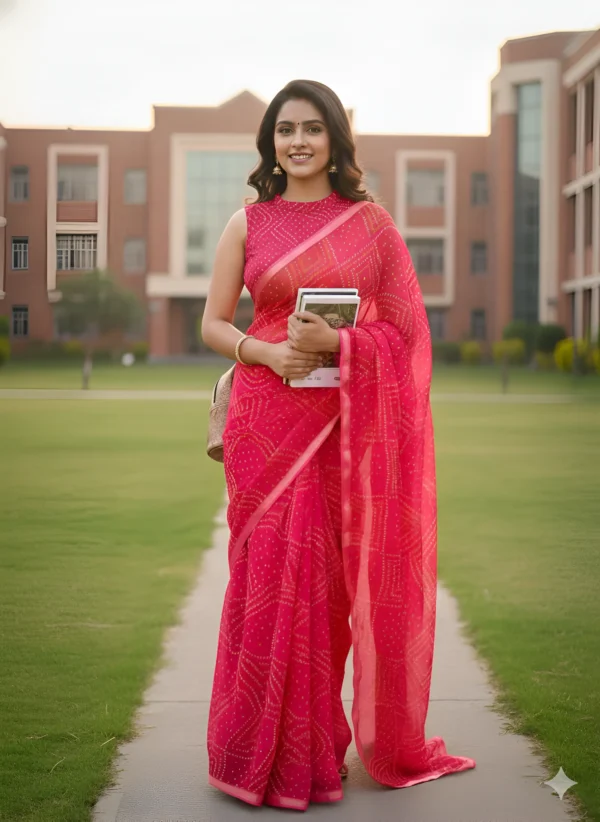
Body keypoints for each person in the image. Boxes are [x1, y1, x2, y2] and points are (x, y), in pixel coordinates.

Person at [201, 79, 476, 812]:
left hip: (342, 432)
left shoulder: (373, 225)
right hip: (266, 423)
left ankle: (314, 754)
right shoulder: (248, 223)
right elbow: (214, 325)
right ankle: (247, 751)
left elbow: (411, 334)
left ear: (334, 141)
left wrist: (342, 344)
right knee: (264, 581)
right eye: (285, 130)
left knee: (323, 596)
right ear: (271, 143)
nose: (297, 141)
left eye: (312, 129)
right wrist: (264, 356)